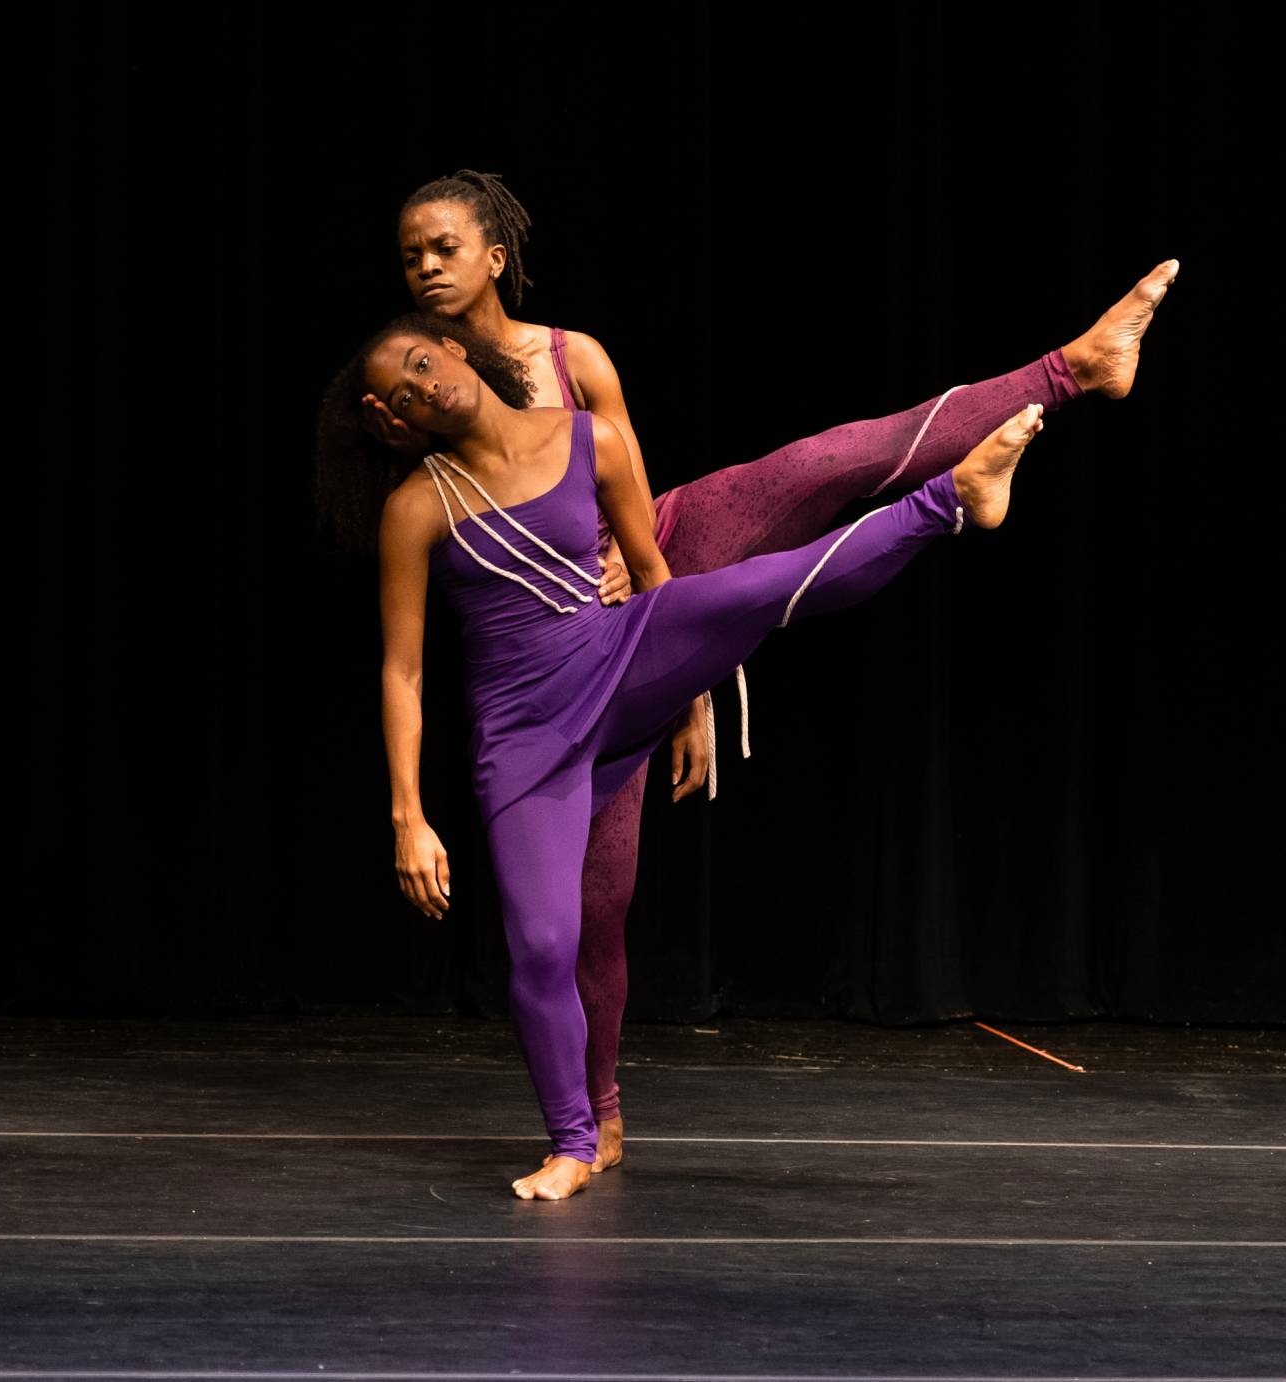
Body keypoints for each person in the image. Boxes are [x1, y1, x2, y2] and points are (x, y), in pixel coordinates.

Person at [331, 170, 1182, 1177]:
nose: (426, 269)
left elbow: (639, 530)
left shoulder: (569, 361)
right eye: (410, 257)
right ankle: (590, 1117)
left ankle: (1064, 371)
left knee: (817, 468)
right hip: (540, 658)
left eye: (443, 248)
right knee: (587, 910)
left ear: (494, 255)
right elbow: (409, 649)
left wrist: (685, 678)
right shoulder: (418, 426)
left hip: (645, 571)